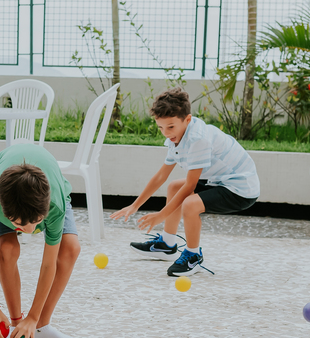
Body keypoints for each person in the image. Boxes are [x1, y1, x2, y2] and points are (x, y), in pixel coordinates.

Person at [110, 87, 260, 276]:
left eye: (170, 127)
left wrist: (161, 215)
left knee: (190, 204)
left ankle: (193, 256)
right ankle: (167, 244)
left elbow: (190, 186)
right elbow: (161, 176)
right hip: (219, 180)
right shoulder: (177, 136)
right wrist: (135, 205)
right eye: (160, 127)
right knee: (174, 186)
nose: (166, 133)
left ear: (187, 119)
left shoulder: (198, 140)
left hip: (240, 188)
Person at [0, 144, 80, 338]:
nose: (30, 230)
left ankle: (40, 326)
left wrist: (33, 317)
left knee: (70, 248)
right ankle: (17, 325)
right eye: (18, 224)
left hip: (51, 191)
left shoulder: (54, 205)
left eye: (37, 222)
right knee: (7, 249)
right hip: (8, 191)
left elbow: (48, 263)